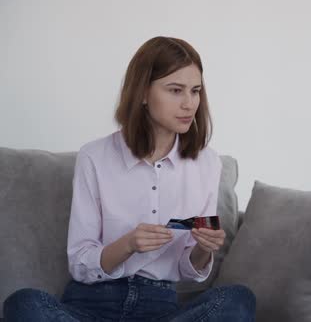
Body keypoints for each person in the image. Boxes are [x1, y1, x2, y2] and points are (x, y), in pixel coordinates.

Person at [3, 36, 255, 322]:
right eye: (175, 90)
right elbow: (80, 261)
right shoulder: (94, 157)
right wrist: (127, 245)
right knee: (23, 303)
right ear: (143, 93)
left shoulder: (206, 163)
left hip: (161, 308)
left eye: (195, 91)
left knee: (237, 300)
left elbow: (189, 269)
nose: (189, 103)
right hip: (90, 305)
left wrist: (203, 249)